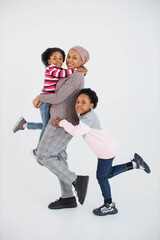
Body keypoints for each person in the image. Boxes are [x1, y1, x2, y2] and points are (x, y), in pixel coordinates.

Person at [55, 88, 151, 216]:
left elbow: (77, 131)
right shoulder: (86, 116)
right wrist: (68, 122)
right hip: (108, 148)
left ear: (91, 106)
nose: (79, 104)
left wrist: (62, 122)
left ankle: (109, 205)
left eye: (83, 102)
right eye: (77, 102)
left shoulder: (88, 117)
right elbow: (78, 127)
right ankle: (134, 164)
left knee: (102, 177)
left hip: (106, 150)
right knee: (107, 174)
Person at [33, 46, 90, 208]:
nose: (70, 60)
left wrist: (40, 97)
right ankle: (68, 198)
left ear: (82, 61)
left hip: (61, 122)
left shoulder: (76, 76)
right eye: (69, 57)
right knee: (59, 158)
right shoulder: (71, 73)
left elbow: (59, 97)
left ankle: (76, 180)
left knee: (43, 155)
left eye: (75, 58)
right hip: (59, 120)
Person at [13, 47, 86, 153]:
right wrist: (77, 69)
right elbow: (63, 74)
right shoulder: (51, 68)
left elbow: (67, 73)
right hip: (46, 99)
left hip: (49, 100)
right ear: (49, 61)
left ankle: (24, 125)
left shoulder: (61, 70)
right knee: (47, 127)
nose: (58, 61)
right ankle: (38, 149)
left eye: (61, 58)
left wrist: (82, 68)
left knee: (47, 125)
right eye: (55, 58)